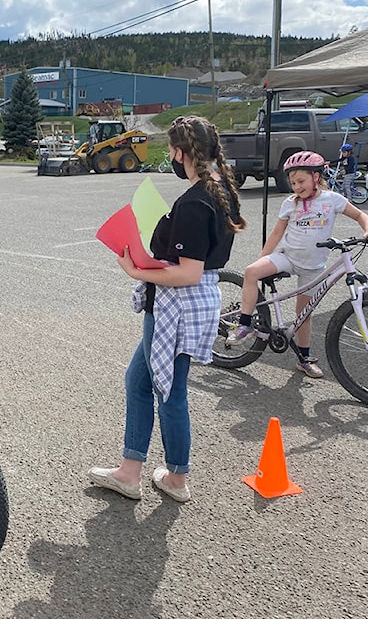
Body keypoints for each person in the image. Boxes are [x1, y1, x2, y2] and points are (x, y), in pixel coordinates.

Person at [87, 116, 247, 504]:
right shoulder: (221, 188)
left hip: (178, 305)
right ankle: (131, 471)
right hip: (187, 302)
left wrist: (135, 268)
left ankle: (176, 477)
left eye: (173, 151)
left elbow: (189, 273)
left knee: (169, 392)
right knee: (139, 381)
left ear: (180, 152)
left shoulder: (195, 202)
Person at [227, 150, 368, 378]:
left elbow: (361, 215)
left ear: (316, 177)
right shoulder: (290, 203)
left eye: (301, 181)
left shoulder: (332, 200)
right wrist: (263, 256)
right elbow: (277, 233)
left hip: (313, 267)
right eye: (293, 182)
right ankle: (244, 324)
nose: (296, 186)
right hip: (287, 258)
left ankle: (304, 358)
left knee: (304, 315)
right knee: (252, 272)